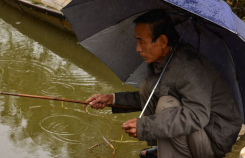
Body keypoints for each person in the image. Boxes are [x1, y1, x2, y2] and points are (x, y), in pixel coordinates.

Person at [85, 10, 242, 158]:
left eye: (141, 42)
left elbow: (196, 116)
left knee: (166, 105)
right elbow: (151, 94)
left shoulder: (189, 68)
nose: (137, 49)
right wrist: (111, 99)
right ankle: (163, 149)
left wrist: (146, 127)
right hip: (200, 129)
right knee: (147, 87)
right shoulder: (162, 60)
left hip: (213, 138)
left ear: (162, 41)